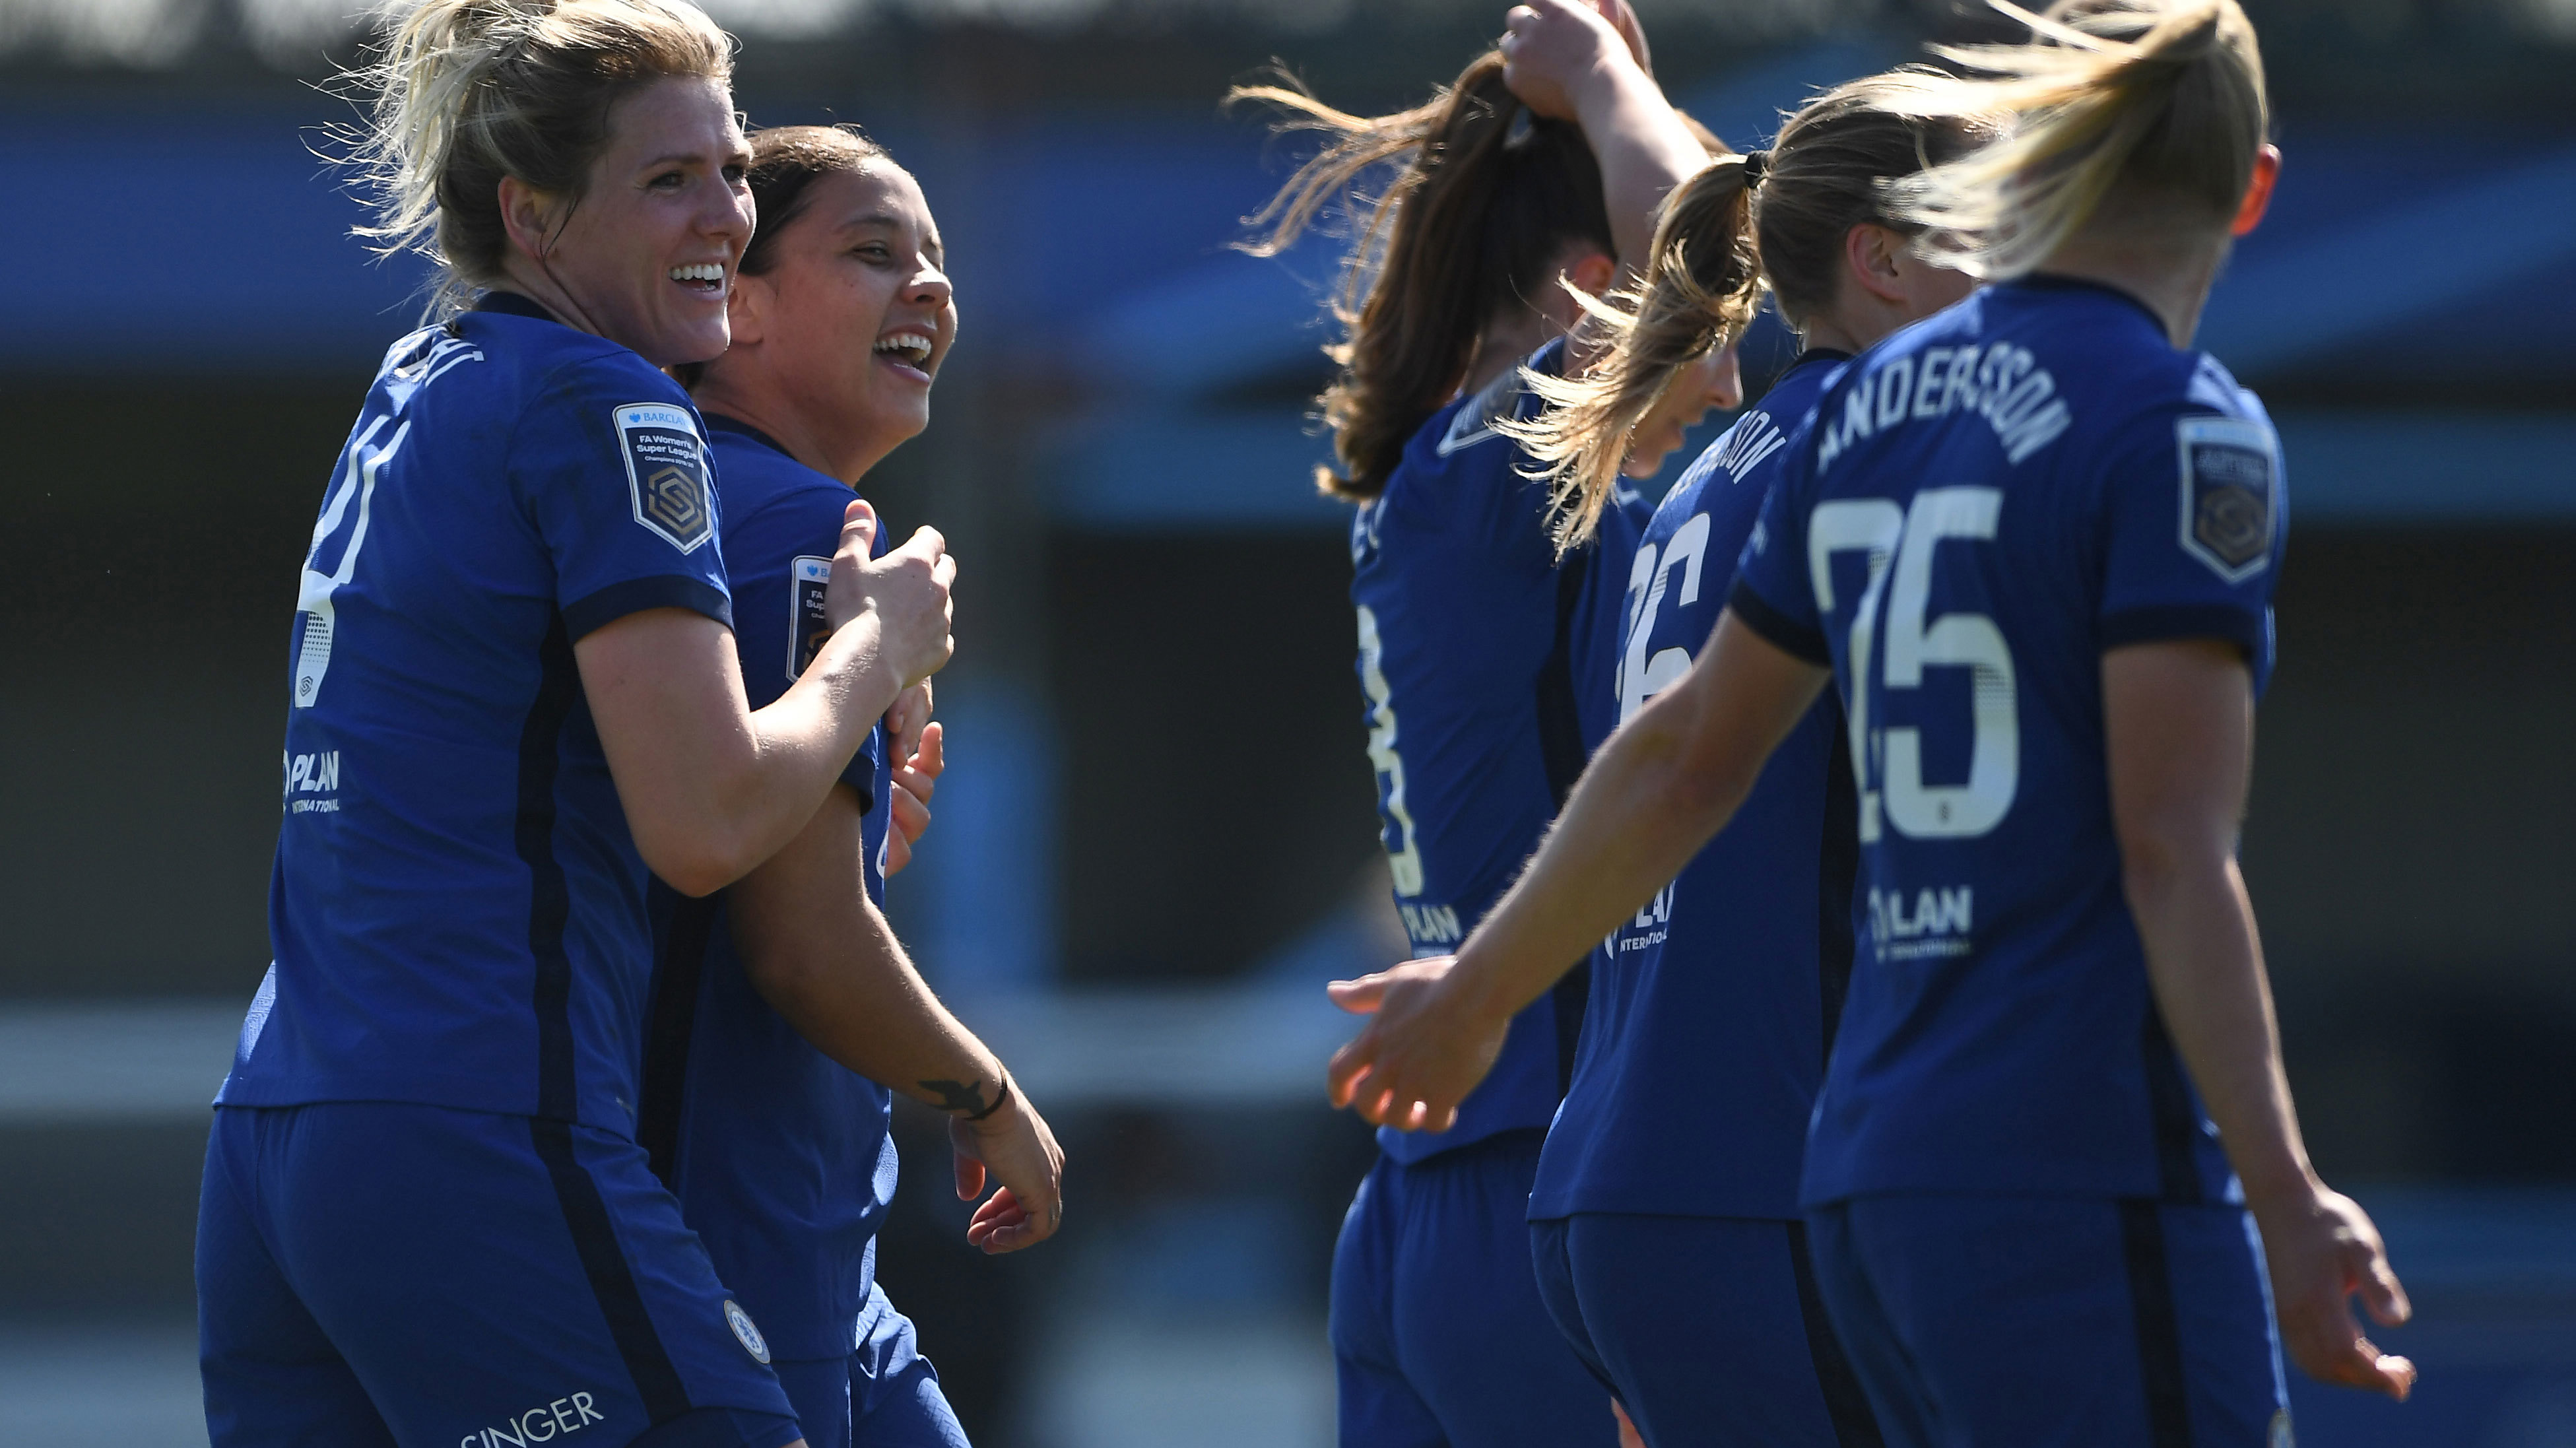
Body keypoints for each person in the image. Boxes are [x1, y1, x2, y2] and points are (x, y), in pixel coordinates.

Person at [1323, 1, 2420, 1444]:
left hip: (1640, 1161)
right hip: (1919, 1151)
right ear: (2250, 188)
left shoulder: (1772, 451)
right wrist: (2284, 1193)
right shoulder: (2065, 423)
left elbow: (1677, 757)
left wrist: (1607, 89)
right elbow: (2168, 844)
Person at [195, 5, 952, 1446]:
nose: (723, 216)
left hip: (282, 1135)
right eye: (668, 179)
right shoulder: (613, 403)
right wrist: (871, 648)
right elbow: (707, 819)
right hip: (476, 1119)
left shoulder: (415, 387)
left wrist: (837, 751)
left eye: (731, 171)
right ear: (531, 214)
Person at [1233, 3, 1732, 1443]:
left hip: (1424, 1189)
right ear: (1592, 299)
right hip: (1552, 1175)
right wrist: (1601, 74)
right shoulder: (1505, 453)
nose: (1712, 386)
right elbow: (1713, 269)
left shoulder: (1438, 489)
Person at [1476, 70, 1989, 1448]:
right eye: (1995, 224)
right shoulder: (1884, 449)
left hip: (1637, 1178)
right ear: (1880, 262)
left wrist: (1601, 81)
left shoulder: (1720, 463)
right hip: (1766, 1182)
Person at [642, 123, 1063, 1448]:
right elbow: (803, 943)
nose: (929, 289)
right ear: (737, 304)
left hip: (808, 1256)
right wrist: (985, 1095)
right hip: (724, 1241)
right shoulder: (779, 517)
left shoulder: (728, 502)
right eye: (873, 253)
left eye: (935, 260)